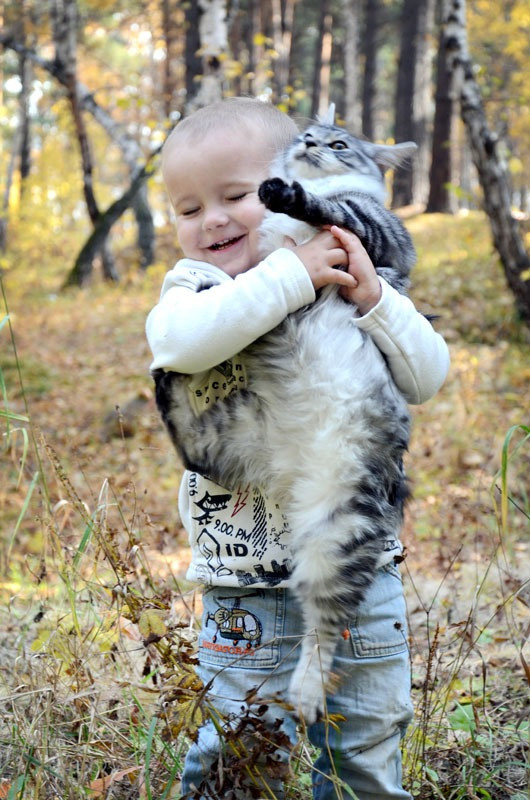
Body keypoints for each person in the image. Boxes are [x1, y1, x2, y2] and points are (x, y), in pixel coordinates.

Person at [146, 97, 450, 800]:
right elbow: (180, 343)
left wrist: (374, 296)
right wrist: (292, 275)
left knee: (365, 755)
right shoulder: (200, 286)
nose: (212, 220)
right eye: (188, 209)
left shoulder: (352, 276)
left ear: (294, 182)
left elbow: (427, 376)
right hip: (242, 590)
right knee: (237, 756)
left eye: (235, 196)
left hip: (360, 584)